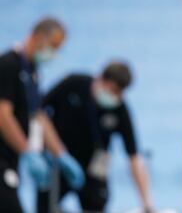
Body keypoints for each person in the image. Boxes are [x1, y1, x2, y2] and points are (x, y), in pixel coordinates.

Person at [37, 61, 154, 213]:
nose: (115, 96)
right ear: (100, 79)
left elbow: (133, 156)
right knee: (46, 206)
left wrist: (147, 203)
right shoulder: (74, 84)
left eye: (119, 93)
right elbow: (37, 111)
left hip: (93, 170)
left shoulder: (119, 109)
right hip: (59, 162)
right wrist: (50, 151)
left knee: (96, 205)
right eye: (112, 90)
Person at [0, 17, 85, 213]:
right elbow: (2, 114)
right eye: (53, 46)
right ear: (38, 37)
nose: (54, 53)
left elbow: (38, 115)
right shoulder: (8, 65)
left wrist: (61, 154)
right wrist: (27, 151)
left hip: (10, 161)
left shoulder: (31, 72)